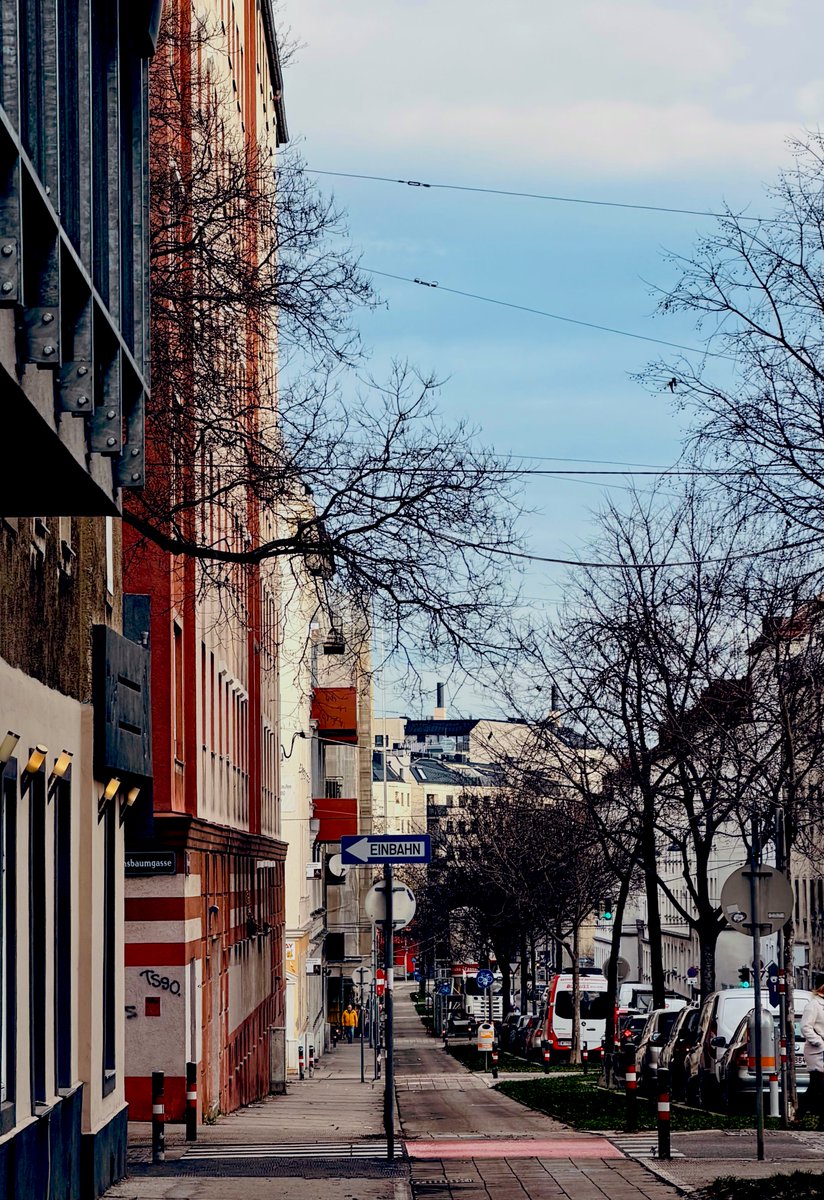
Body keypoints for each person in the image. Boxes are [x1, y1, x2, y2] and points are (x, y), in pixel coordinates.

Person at [798, 978, 824, 1128]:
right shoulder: (814, 1005)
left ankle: (806, 1115)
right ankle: (803, 1114)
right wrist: (818, 1042)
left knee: (817, 1088)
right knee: (818, 1085)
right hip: (817, 1051)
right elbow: (805, 1027)